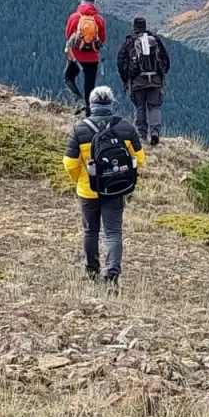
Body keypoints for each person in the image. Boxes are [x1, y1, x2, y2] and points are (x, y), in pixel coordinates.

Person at [63, 86, 144, 291]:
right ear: (111, 104)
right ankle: (112, 275)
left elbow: (70, 163)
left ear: (91, 105)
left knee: (90, 231)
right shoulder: (125, 127)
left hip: (88, 189)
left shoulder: (80, 130)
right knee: (113, 232)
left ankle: (91, 271)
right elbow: (139, 159)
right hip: (115, 188)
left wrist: (80, 180)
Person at [116, 16, 171, 146]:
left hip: (137, 80)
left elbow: (120, 61)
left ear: (134, 27)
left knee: (140, 107)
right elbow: (166, 59)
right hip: (155, 80)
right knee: (154, 107)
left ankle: (141, 135)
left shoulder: (129, 42)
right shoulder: (155, 40)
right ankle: (155, 132)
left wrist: (126, 78)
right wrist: (161, 74)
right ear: (145, 26)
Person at [64, 0, 107, 113]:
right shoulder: (99, 19)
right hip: (93, 58)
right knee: (89, 85)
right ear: (93, 4)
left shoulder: (74, 17)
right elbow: (102, 38)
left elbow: (68, 35)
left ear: (82, 3)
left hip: (75, 57)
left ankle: (78, 101)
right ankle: (89, 114)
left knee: (68, 78)